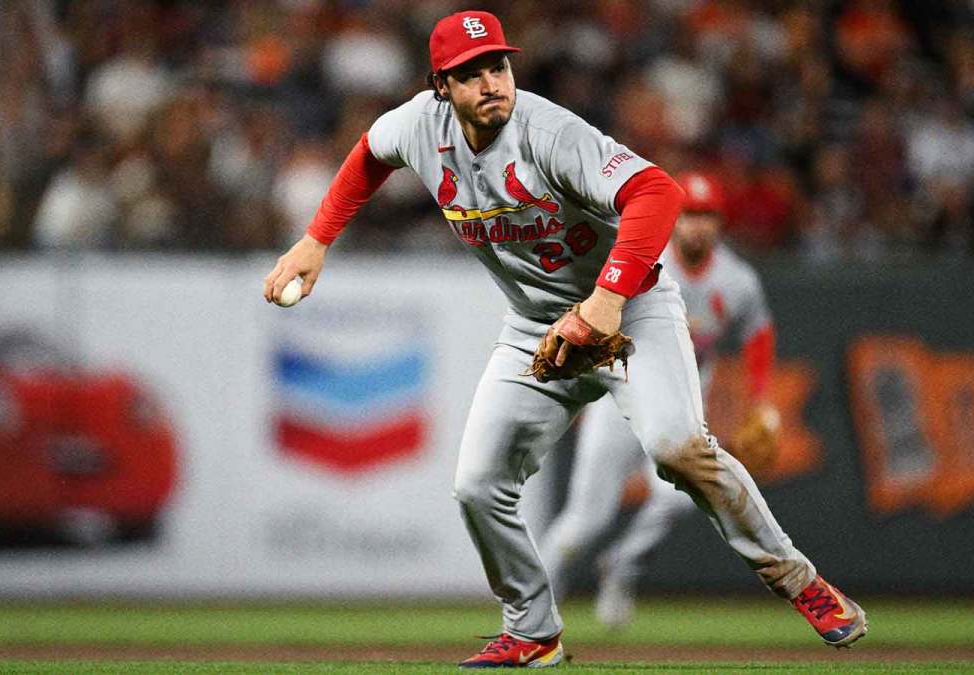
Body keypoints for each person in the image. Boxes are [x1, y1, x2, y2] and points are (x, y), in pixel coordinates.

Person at [263, 11, 867, 668]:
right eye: (471, 74)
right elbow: (367, 155)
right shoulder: (417, 126)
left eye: (498, 65)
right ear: (442, 86)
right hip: (534, 329)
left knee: (677, 448)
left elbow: (655, 193)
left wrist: (605, 302)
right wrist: (316, 239)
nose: (492, 82)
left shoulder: (547, 132)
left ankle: (803, 582)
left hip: (631, 311)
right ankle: (533, 628)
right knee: (477, 484)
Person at [538, 172, 786, 629]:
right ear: (675, 219)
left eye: (708, 216)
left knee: (679, 497)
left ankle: (622, 565)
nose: (698, 226)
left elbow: (758, 335)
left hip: (677, 404)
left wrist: (761, 400)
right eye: (690, 214)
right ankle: (533, 605)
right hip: (619, 397)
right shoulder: (644, 259)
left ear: (720, 223)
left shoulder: (737, 281)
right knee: (585, 520)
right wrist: (575, 393)